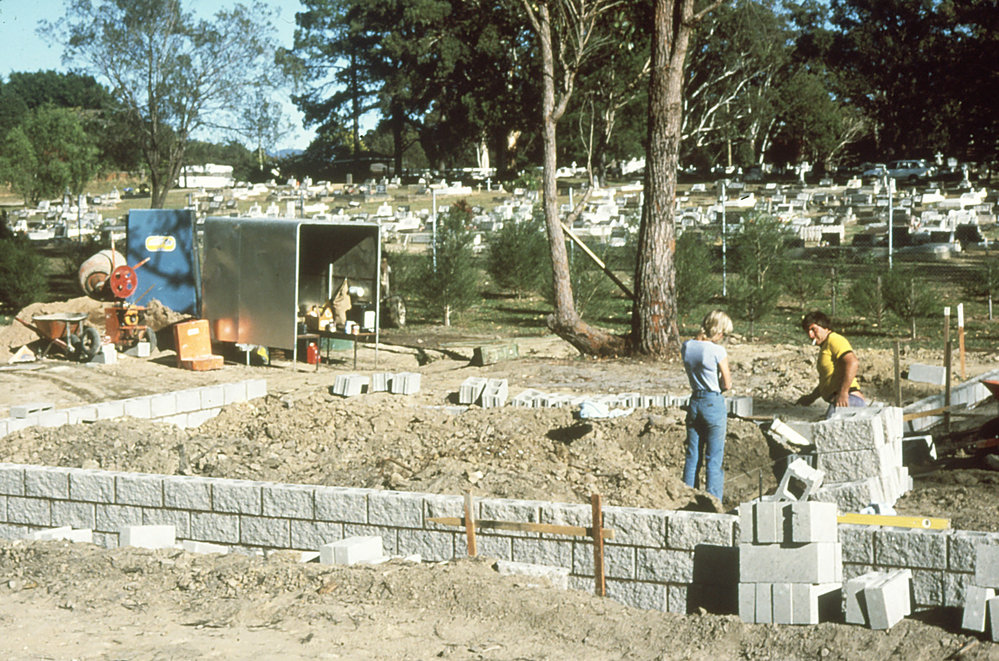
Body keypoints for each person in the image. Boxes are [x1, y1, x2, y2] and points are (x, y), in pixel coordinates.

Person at [681, 310, 733, 501]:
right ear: (717, 331)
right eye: (723, 334)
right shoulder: (717, 351)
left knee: (692, 456)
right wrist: (718, 386)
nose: (723, 338)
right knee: (714, 459)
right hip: (713, 402)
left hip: (694, 400)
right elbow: (727, 383)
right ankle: (713, 504)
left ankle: (686, 498)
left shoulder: (686, 346)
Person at [795, 311, 866, 418]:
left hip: (849, 399)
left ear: (824, 327)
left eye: (813, 329)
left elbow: (852, 362)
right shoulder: (825, 346)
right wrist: (810, 398)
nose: (810, 335)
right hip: (843, 399)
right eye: (808, 331)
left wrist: (843, 393)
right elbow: (828, 379)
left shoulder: (834, 339)